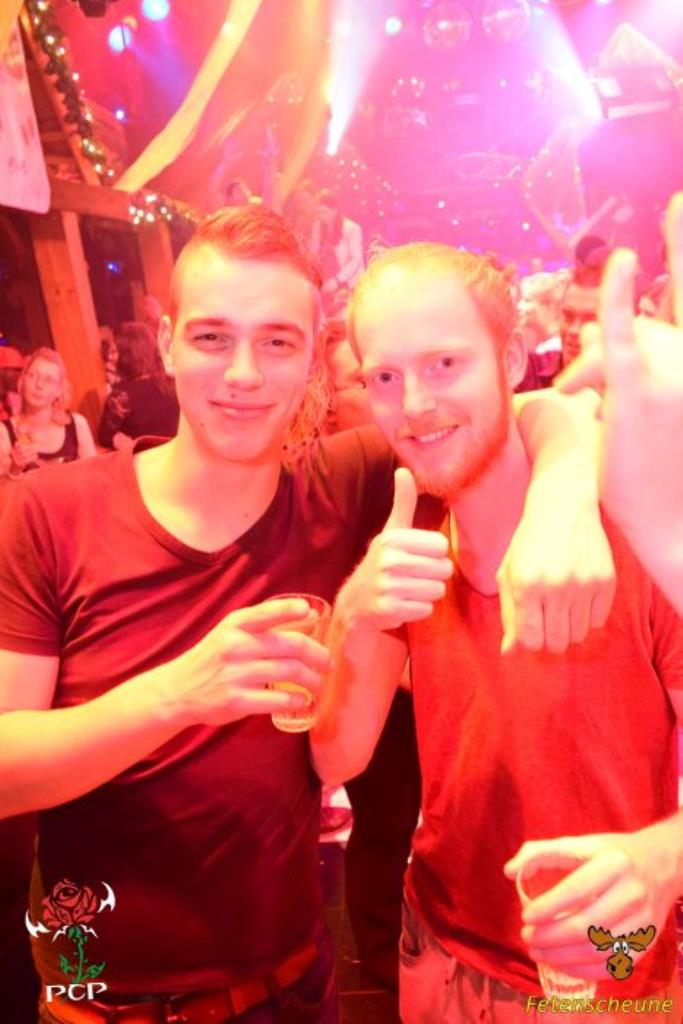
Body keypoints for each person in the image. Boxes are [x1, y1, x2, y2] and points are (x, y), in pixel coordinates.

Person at [0, 206, 616, 1024]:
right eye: (213, 337)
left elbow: (532, 408)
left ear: (313, 362)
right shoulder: (49, 513)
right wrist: (173, 695)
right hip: (102, 1000)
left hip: (293, 983)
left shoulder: (343, 486)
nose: (244, 373)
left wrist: (563, 495)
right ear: (169, 340)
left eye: (277, 342)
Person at [313, 240, 683, 1023]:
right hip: (436, 943)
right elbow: (334, 757)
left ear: (510, 358)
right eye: (384, 377)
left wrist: (661, 860)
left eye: (445, 364)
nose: (414, 403)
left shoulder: (631, 541)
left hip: (607, 974)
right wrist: (355, 613)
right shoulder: (409, 536)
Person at [323, 317, 422, 991]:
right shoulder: (328, 482)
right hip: (376, 695)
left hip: (435, 687)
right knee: (385, 824)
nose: (396, 397)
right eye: (369, 380)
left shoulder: (428, 459)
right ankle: (382, 964)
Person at [557, 191, 683, 616]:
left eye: (590, 319)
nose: (576, 331)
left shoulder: (658, 405)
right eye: (567, 316)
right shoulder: (540, 385)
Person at [0, 348, 96, 480]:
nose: (39, 385)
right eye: (32, 376)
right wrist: (14, 469)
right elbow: (3, 491)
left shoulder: (77, 425)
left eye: (49, 380)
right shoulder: (4, 432)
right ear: (22, 381)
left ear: (59, 390)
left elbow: (94, 478)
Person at [98, 321, 179, 450]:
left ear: (129, 354)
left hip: (146, 460)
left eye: (114, 351)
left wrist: (118, 438)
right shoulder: (172, 382)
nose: (110, 357)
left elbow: (104, 436)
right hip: (179, 456)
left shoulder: (122, 395)